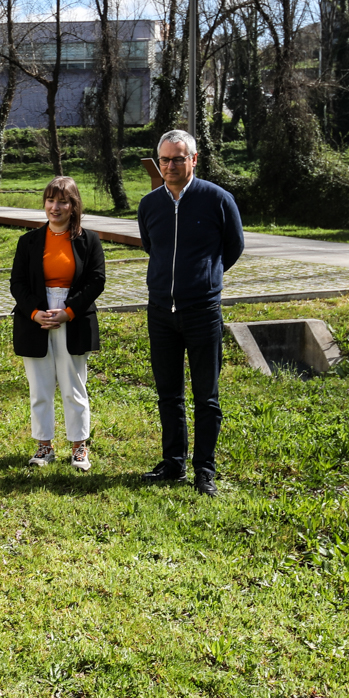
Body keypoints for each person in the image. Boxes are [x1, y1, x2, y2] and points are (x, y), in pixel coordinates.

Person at [136, 129, 244, 496]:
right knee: (169, 394)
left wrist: (204, 280)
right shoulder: (150, 204)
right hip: (160, 312)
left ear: (193, 160)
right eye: (164, 159)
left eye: (178, 159)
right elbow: (153, 247)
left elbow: (233, 247)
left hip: (202, 312)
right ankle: (173, 464)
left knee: (206, 397)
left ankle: (205, 470)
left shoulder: (218, 199)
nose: (169, 165)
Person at [9, 177, 106, 471]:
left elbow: (96, 280)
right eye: (50, 200)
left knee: (73, 385)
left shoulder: (89, 241)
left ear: (74, 205)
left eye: (62, 201)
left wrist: (69, 311)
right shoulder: (29, 241)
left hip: (72, 316)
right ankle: (44, 446)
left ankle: (79, 448)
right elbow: (18, 283)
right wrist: (35, 313)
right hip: (36, 318)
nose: (55, 207)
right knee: (40, 387)